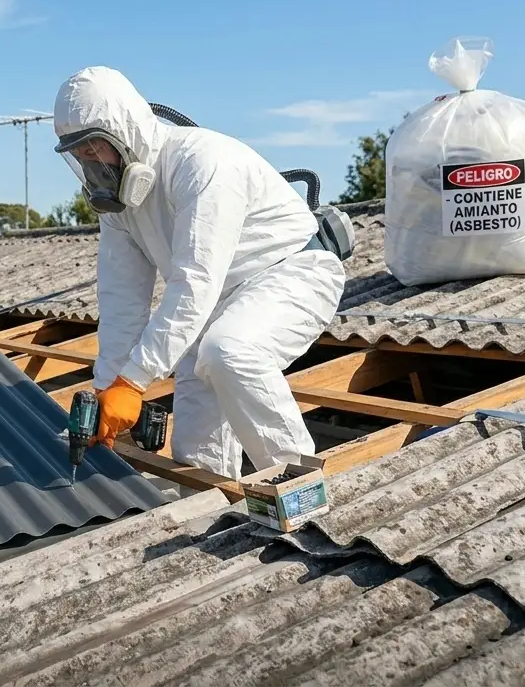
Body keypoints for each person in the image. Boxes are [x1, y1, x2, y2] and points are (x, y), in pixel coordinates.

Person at [51, 66, 346, 479]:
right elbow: (122, 300)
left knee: (230, 353)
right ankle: (215, 517)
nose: (94, 167)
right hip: (216, 304)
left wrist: (134, 381)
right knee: (195, 455)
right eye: (83, 157)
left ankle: (301, 487)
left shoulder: (201, 162)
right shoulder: (119, 206)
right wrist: (108, 385)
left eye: (98, 150)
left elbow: (195, 281)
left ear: (128, 131)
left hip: (291, 272)